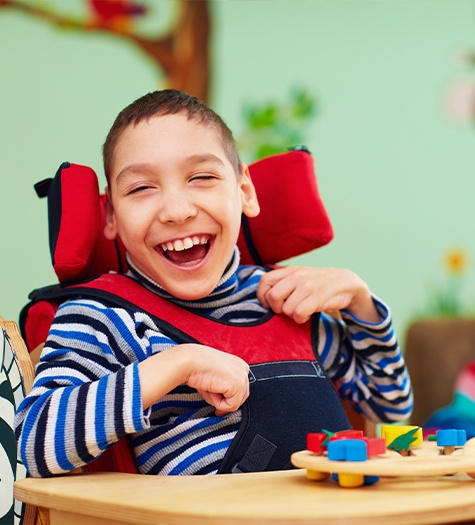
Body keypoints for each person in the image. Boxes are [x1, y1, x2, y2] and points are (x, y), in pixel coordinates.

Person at [15, 89, 413, 478]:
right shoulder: (103, 315)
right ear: (111, 217)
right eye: (141, 188)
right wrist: (176, 364)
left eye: (201, 177)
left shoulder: (286, 299)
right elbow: (29, 445)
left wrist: (362, 303)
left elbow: (390, 407)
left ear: (244, 191)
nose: (176, 210)